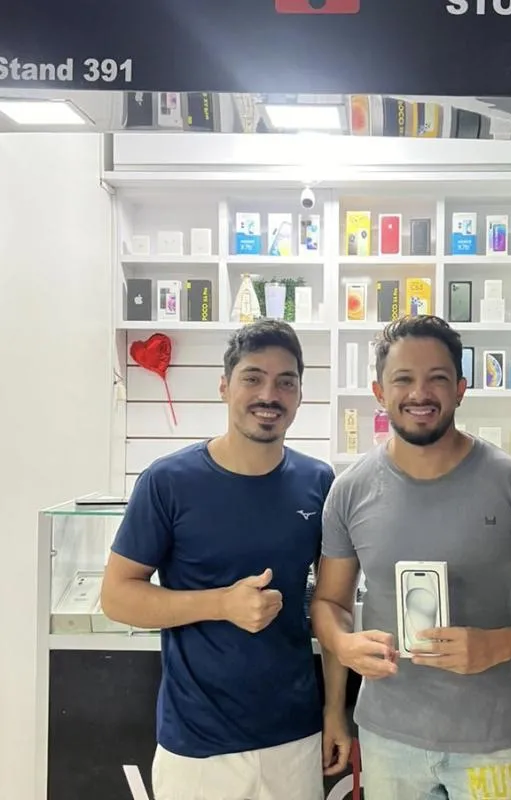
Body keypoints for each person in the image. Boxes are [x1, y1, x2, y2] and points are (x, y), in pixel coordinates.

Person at [311, 315, 511, 800]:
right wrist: (342, 645)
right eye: (403, 379)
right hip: (387, 737)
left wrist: (496, 646)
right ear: (379, 392)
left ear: (461, 389)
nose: (420, 393)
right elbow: (329, 602)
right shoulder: (350, 491)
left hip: (494, 740)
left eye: (438, 378)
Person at [101, 320, 351, 800]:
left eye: (286, 382)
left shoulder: (318, 482)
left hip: (294, 737)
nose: (269, 395)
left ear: (300, 395)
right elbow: (117, 596)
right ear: (224, 386)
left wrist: (334, 710)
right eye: (253, 378)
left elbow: (333, 603)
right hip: (197, 745)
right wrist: (221, 604)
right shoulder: (168, 481)